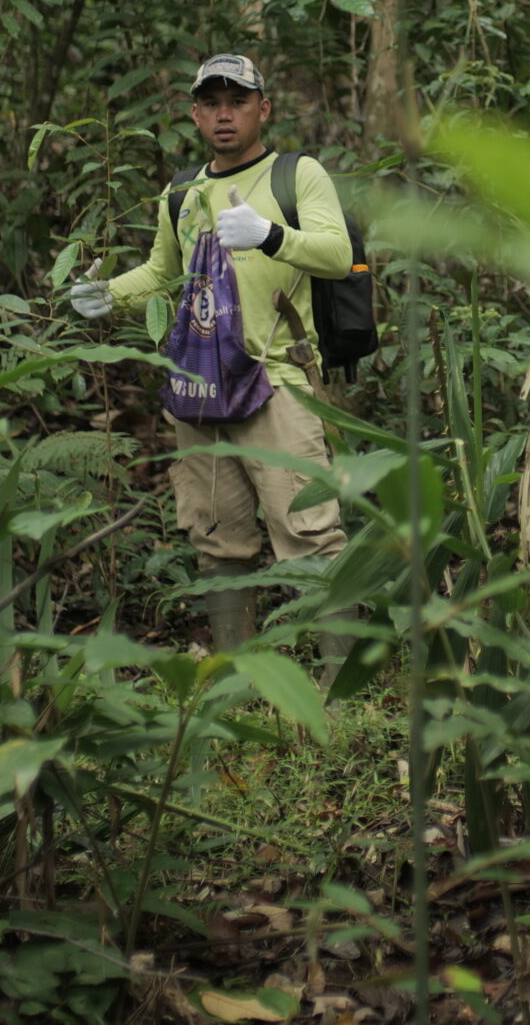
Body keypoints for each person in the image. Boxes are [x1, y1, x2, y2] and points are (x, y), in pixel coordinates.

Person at [68, 54, 355, 655]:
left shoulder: (295, 175)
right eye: (213, 104)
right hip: (202, 390)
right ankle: (235, 674)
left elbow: (337, 253)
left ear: (262, 109)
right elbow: (160, 274)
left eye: (239, 102)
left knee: (310, 536)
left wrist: (270, 235)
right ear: (195, 114)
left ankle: (343, 691)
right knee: (217, 538)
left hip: (280, 382)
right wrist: (107, 295)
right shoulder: (182, 193)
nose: (226, 116)